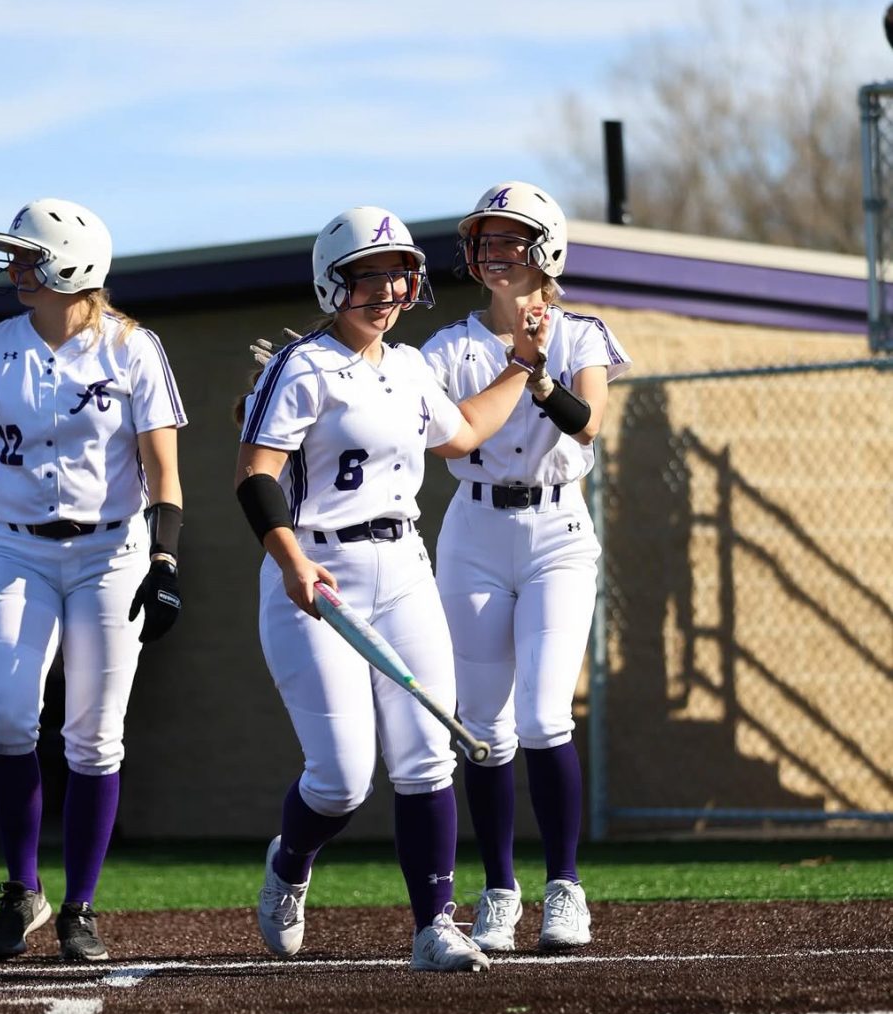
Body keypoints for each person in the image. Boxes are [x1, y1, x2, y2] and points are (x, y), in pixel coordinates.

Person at [234, 206, 547, 972]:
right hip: (317, 573)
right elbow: (254, 476)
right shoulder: (301, 367)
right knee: (340, 781)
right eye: (364, 276)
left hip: (403, 566)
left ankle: (433, 924)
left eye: (396, 275)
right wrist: (289, 561)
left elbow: (463, 436)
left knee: (425, 758)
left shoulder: (408, 367)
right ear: (329, 283)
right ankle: (290, 863)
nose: (384, 290)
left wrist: (521, 366)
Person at [0, 197, 186, 963]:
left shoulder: (133, 349)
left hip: (112, 552)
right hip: (16, 550)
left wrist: (166, 559)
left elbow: (163, 472)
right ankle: (23, 889)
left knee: (93, 736)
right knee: (6, 717)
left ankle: (80, 905)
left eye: (28, 256)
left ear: (73, 265)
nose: (15, 268)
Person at [420, 181, 631, 952]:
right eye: (484, 239)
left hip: (555, 531)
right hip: (474, 528)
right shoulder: (448, 346)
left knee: (544, 717)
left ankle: (565, 887)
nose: (491, 252)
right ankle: (500, 890)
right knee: (482, 727)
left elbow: (586, 430)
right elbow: (427, 426)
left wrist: (537, 374)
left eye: (509, 238)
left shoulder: (579, 334)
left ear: (546, 247)